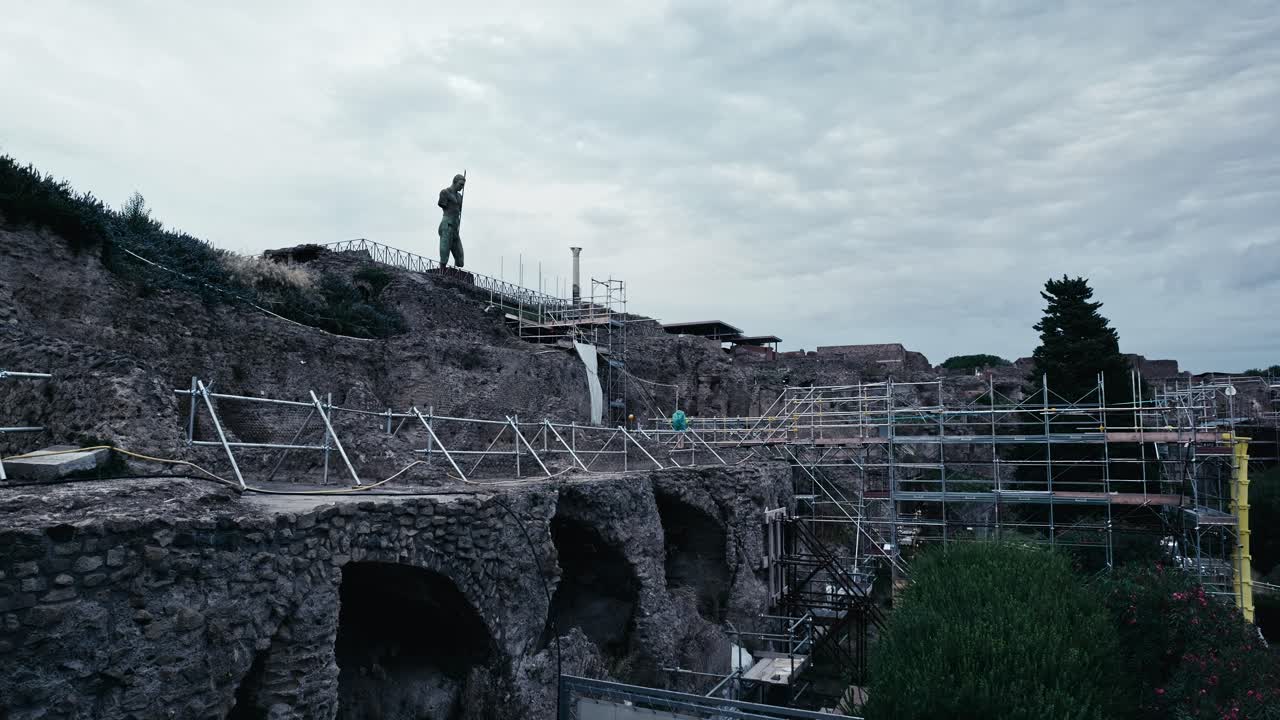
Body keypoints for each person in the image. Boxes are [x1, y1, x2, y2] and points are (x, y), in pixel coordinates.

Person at [437, 173, 465, 268]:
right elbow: (442, 205)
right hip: (447, 225)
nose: (462, 187)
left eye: (463, 185)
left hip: (455, 228)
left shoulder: (460, 197)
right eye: (460, 184)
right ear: (454, 182)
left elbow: (459, 210)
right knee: (444, 255)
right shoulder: (445, 192)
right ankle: (441, 271)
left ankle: (453, 273)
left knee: (460, 260)